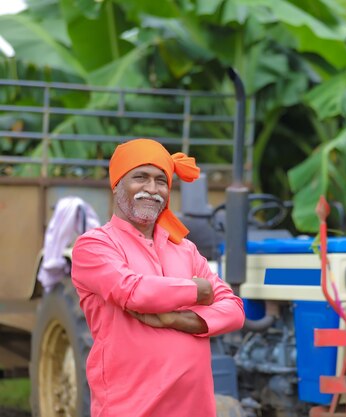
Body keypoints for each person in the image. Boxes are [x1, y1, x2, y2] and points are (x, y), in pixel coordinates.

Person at [71, 138, 245, 417]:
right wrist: (197, 291)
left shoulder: (184, 249)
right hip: (130, 408)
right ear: (116, 185)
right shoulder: (95, 245)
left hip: (194, 408)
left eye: (161, 181)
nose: (152, 189)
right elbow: (133, 292)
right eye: (140, 177)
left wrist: (173, 319)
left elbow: (235, 310)